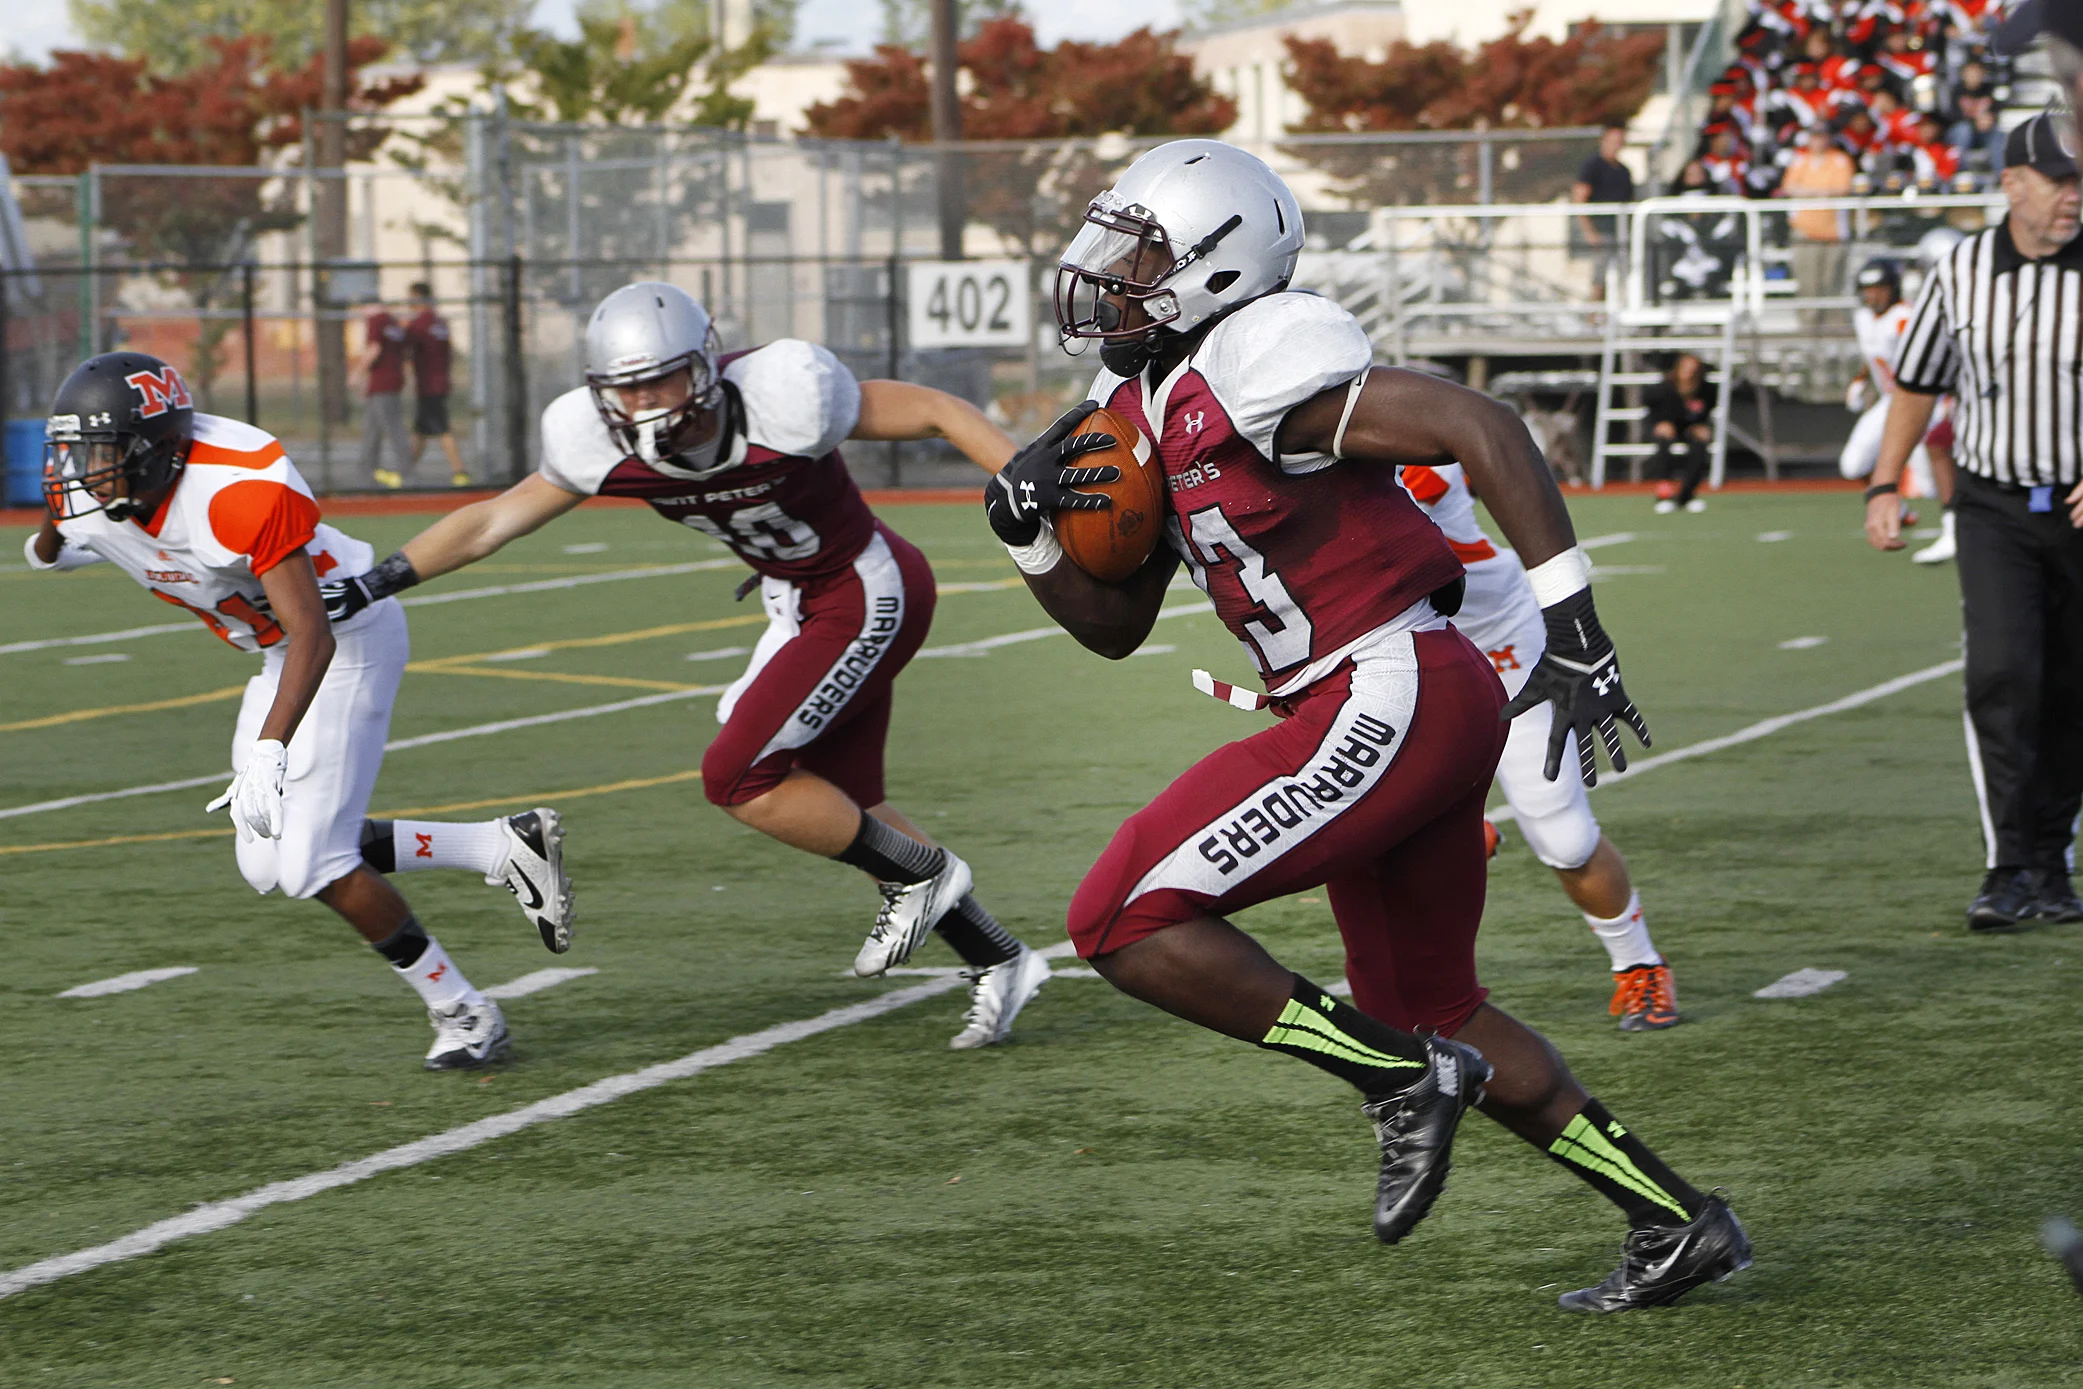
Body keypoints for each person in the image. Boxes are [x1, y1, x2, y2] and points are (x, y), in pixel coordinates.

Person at [1013, 139, 1747, 1309]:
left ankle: (1398, 1083)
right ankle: (1674, 1220)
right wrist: (1032, 539)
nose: (1108, 274)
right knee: (1435, 1006)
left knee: (1120, 917)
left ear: (1215, 266)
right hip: (1383, 696)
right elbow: (1111, 626)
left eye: (1138, 251)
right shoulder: (1141, 401)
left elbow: (1480, 424)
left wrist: (1574, 622)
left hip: (1388, 684)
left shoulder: (1259, 356)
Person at [322, 284, 1051, 1049]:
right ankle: (997, 958)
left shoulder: (783, 395)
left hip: (862, 588)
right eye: (622, 387)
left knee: (737, 775)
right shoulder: (594, 440)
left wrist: (1026, 482)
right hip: (796, 599)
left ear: (703, 364)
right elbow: (490, 522)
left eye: (656, 380)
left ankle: (920, 876)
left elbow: (933, 408)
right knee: (842, 800)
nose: (639, 403)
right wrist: (380, 578)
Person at [27, 352, 573, 1069]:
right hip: (282, 653)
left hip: (344, 639)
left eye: (97, 454)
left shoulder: (236, 491)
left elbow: (312, 630)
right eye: (73, 453)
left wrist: (270, 747)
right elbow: (53, 548)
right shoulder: (101, 497)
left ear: (154, 452)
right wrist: (60, 507)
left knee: (312, 861)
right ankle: (498, 846)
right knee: (266, 861)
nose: (81, 470)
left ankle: (465, 1010)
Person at [1865, 111, 2083, 930]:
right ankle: (2007, 864)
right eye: (2059, 180)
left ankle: (2053, 862)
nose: (2072, 197)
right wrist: (1883, 481)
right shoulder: (1958, 271)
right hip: (1993, 503)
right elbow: (1916, 382)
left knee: (2069, 685)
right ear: (2010, 183)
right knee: (2001, 674)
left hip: (2076, 501)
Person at [1398, 460, 1682, 1031]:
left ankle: (1639, 964)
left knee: (1565, 836)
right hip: (1400, 658)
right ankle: (1445, 830)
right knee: (1354, 812)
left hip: (1498, 642)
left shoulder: (1403, 453)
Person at [1779, 124, 1858, 327]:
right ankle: (1808, 327)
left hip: (1833, 232)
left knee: (1832, 284)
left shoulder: (1840, 160)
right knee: (1807, 284)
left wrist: (1810, 191)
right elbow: (1789, 187)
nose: (1818, 141)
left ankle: (1832, 328)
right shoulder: (1800, 160)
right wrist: (1819, 192)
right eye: (1815, 136)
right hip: (1804, 232)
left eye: (1822, 136)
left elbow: (1841, 188)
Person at [404, 282, 468, 488]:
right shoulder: (440, 322)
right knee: (421, 430)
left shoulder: (419, 324)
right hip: (440, 381)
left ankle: (459, 471)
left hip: (428, 384)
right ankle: (407, 471)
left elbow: (405, 349)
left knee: (442, 429)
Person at [354, 293, 413, 490]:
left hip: (382, 383)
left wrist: (357, 374)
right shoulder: (392, 322)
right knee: (372, 430)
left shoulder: (377, 320)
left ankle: (406, 473)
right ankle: (366, 474)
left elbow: (374, 349)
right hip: (389, 380)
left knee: (393, 428)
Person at [1571, 124, 1636, 299]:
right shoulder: (1593, 166)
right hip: (1602, 231)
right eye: (1612, 141)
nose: (1616, 145)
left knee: (1623, 274)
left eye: (1619, 142)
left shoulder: (1624, 171)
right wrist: (1589, 231)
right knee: (1600, 277)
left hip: (1621, 231)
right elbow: (1579, 197)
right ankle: (1594, 317)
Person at [1647, 352, 1717, 514]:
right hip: (1668, 427)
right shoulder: (1665, 388)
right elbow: (1654, 408)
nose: (1689, 373)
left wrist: (1700, 426)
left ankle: (1687, 494)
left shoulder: (1706, 389)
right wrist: (1660, 423)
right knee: (1664, 443)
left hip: (1689, 428)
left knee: (1700, 444)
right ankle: (1664, 492)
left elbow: (1703, 413)